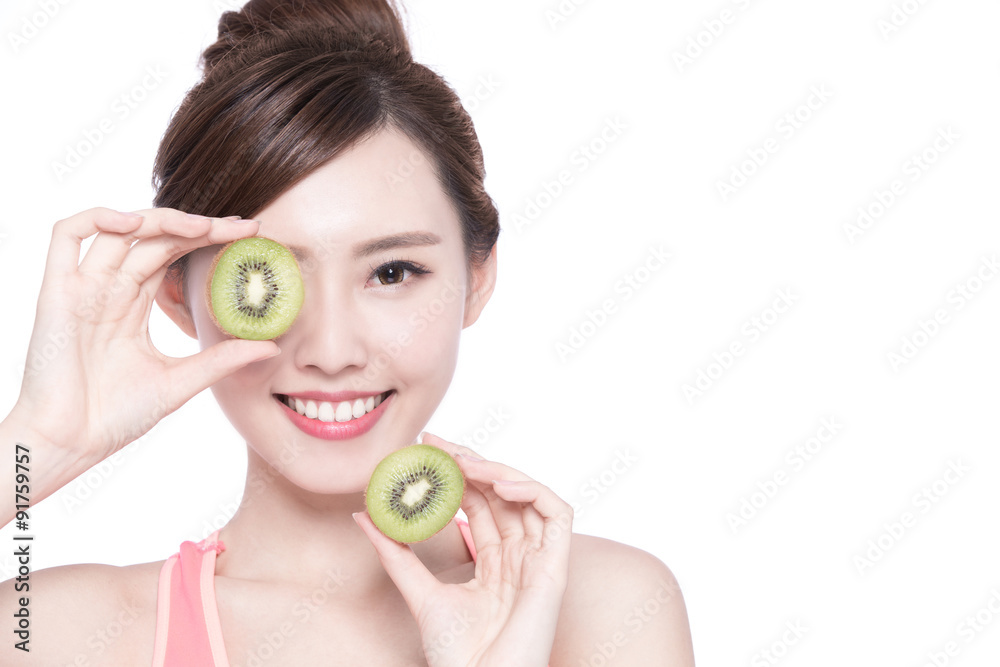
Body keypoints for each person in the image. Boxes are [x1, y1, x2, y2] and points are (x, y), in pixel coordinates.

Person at [1, 0, 695, 663]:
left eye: (392, 272)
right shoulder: (56, 634)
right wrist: (38, 445)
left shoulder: (601, 609)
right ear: (180, 295)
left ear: (476, 277)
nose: (331, 352)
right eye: (271, 278)